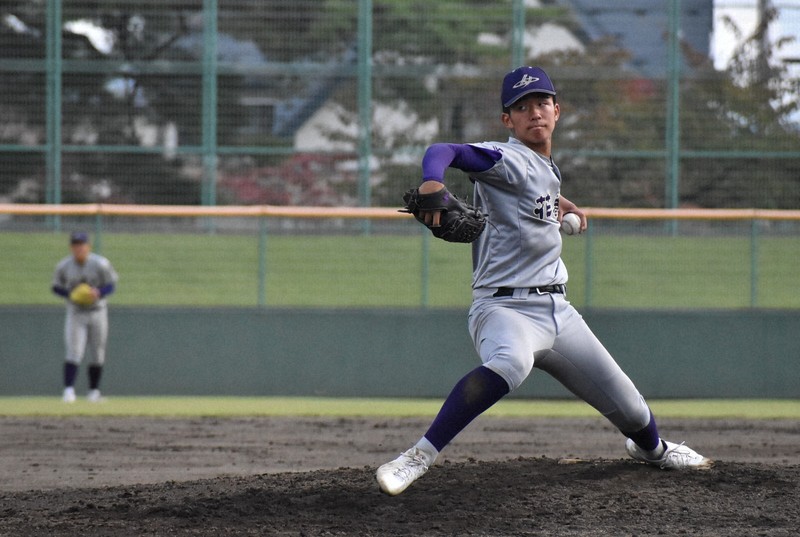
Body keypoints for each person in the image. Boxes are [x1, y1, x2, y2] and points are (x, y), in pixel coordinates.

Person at [376, 66, 712, 496]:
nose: (534, 112)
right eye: (522, 107)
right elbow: (445, 149)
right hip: (504, 309)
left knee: (631, 408)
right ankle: (416, 457)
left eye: (541, 103)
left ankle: (654, 450)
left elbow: (533, 192)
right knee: (511, 364)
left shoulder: (545, 169)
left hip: (559, 313)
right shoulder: (508, 158)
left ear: (557, 110)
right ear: (508, 121)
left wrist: (558, 202)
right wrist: (432, 179)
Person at [51, 231, 119, 403]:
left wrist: (99, 292)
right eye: (75, 244)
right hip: (76, 312)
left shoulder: (100, 263)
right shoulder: (64, 266)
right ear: (71, 247)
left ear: (88, 246)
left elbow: (111, 285)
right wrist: (70, 294)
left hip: (98, 311)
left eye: (82, 244)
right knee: (74, 351)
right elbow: (55, 287)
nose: (79, 248)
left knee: (98, 352)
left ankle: (94, 392)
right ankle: (68, 391)